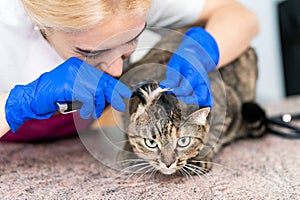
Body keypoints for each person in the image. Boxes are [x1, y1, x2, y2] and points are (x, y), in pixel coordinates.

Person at [0, 0, 259, 141]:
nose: (117, 68)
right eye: (89, 51)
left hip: (75, 145)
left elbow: (241, 16)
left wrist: (204, 51)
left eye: (130, 40)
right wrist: (17, 105)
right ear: (39, 23)